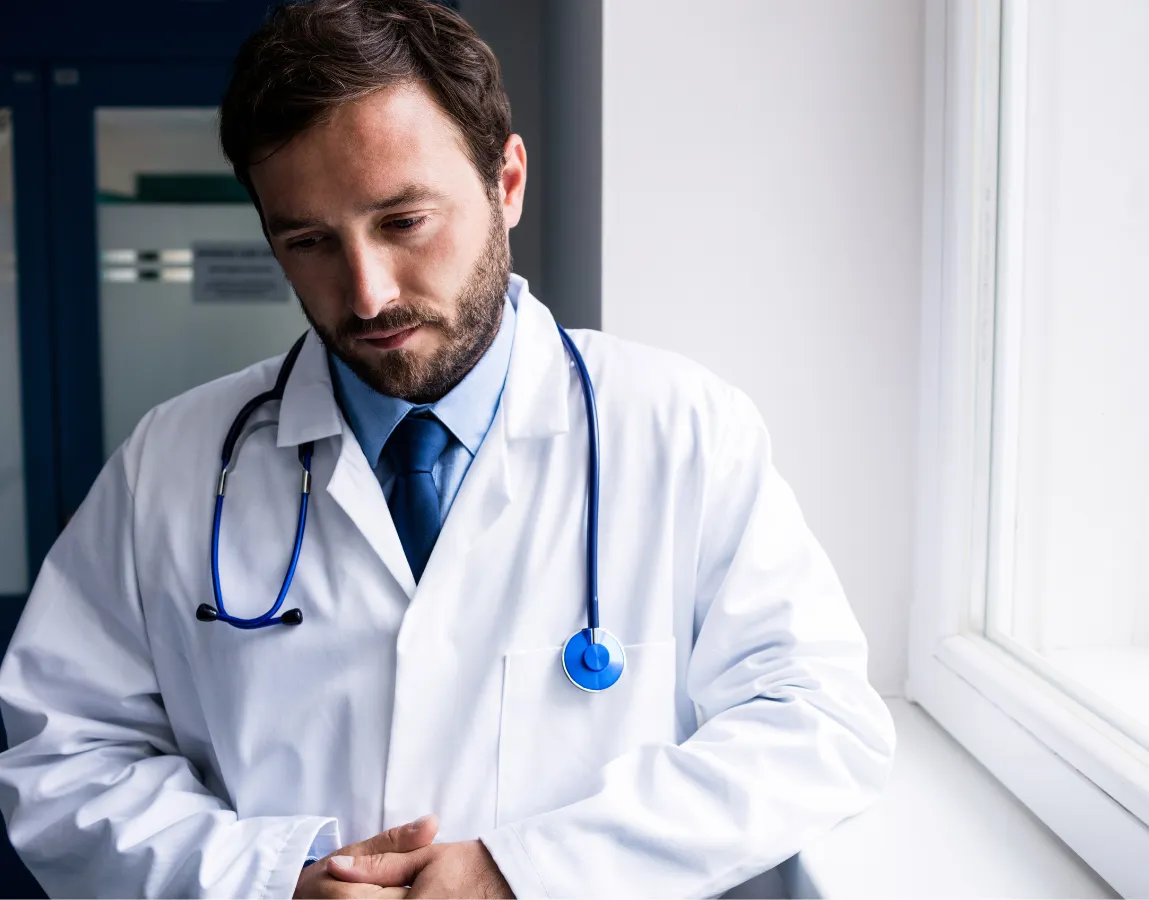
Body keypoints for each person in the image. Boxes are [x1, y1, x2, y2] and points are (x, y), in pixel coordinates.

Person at [0, 1, 895, 896]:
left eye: (403, 222)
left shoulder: (682, 431)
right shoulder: (175, 462)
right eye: (307, 241)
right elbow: (66, 753)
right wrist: (269, 882)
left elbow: (817, 725)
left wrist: (525, 872)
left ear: (506, 182)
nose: (366, 293)